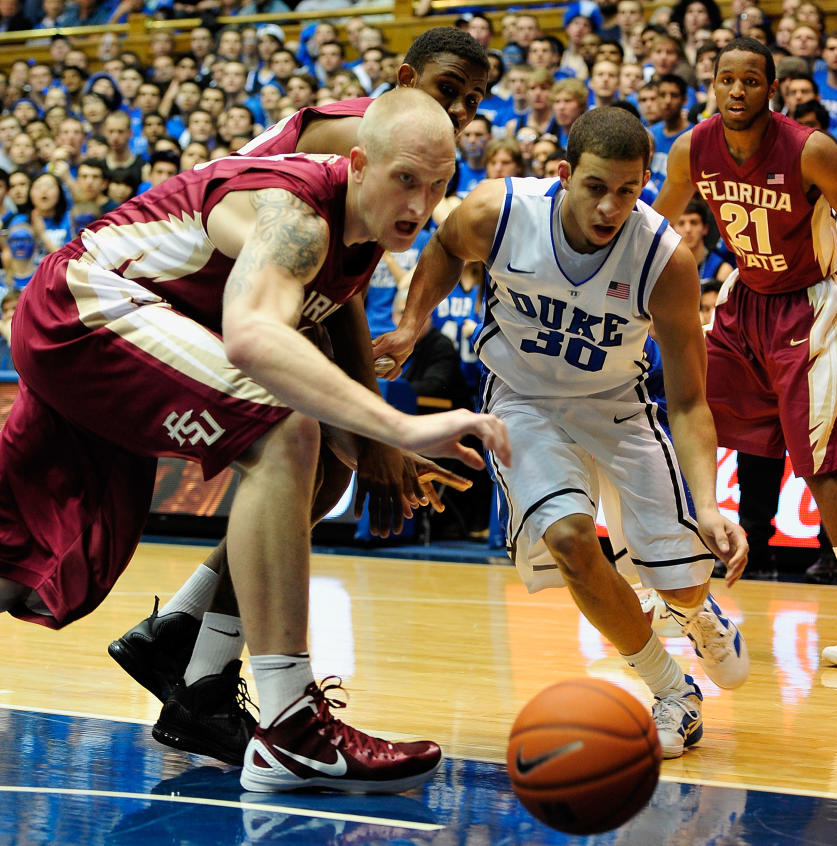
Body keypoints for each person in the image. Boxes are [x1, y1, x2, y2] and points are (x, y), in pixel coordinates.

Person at [0, 88, 510, 793]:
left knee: (26, 548)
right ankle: (292, 723)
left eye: (438, 185)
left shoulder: (360, 236)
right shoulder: (295, 212)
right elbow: (252, 336)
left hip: (86, 317)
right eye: (405, 180)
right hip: (85, 309)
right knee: (283, 430)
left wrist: (376, 450)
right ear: (359, 163)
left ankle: (193, 655)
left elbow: (310, 358)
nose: (421, 206)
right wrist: (398, 425)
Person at [106, 25, 491, 767]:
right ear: (407, 76)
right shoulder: (370, 140)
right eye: (450, 90)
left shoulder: (405, 154)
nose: (463, 110)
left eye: (475, 102)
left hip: (256, 294)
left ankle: (188, 652)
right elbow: (332, 285)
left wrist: (372, 432)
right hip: (202, 290)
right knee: (302, 450)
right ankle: (212, 672)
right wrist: (380, 432)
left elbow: (336, 279)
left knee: (321, 469)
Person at [374, 106, 749, 759]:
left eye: (628, 192)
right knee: (574, 542)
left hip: (621, 409)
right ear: (563, 174)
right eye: (596, 187)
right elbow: (441, 250)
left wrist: (710, 503)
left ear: (645, 184)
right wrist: (411, 325)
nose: (610, 207)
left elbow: (688, 401)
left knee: (681, 580)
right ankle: (673, 691)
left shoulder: (665, 260)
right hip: (523, 402)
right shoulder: (499, 211)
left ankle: (694, 608)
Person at [653, 38, 837, 668]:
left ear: (770, 89)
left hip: (808, 305)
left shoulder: (812, 150)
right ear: (714, 84)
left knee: (821, 460)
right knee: (681, 415)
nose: (737, 91)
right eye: (727, 80)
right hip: (744, 298)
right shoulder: (691, 149)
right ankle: (671, 580)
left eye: (751, 81)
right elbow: (651, 226)